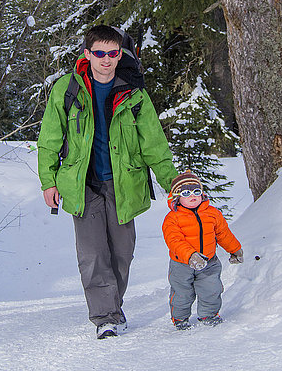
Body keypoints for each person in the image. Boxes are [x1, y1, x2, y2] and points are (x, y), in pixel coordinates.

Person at [38, 24, 177, 339]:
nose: (105, 59)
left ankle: (113, 306)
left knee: (121, 253)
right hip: (82, 184)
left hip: (123, 183)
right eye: (99, 53)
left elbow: (154, 144)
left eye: (112, 53)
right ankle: (106, 317)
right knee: (92, 254)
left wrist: (174, 183)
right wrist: (49, 181)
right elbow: (49, 138)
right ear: (87, 54)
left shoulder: (133, 92)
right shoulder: (66, 89)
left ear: (119, 55)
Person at [162, 171, 243, 330]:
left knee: (211, 289)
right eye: (186, 193)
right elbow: (174, 241)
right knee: (182, 293)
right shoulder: (172, 218)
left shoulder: (212, 213)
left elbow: (223, 234)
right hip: (182, 265)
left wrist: (235, 249)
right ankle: (180, 319)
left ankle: (209, 315)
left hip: (209, 261)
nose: (193, 196)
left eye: (196, 191)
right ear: (177, 197)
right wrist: (190, 256)